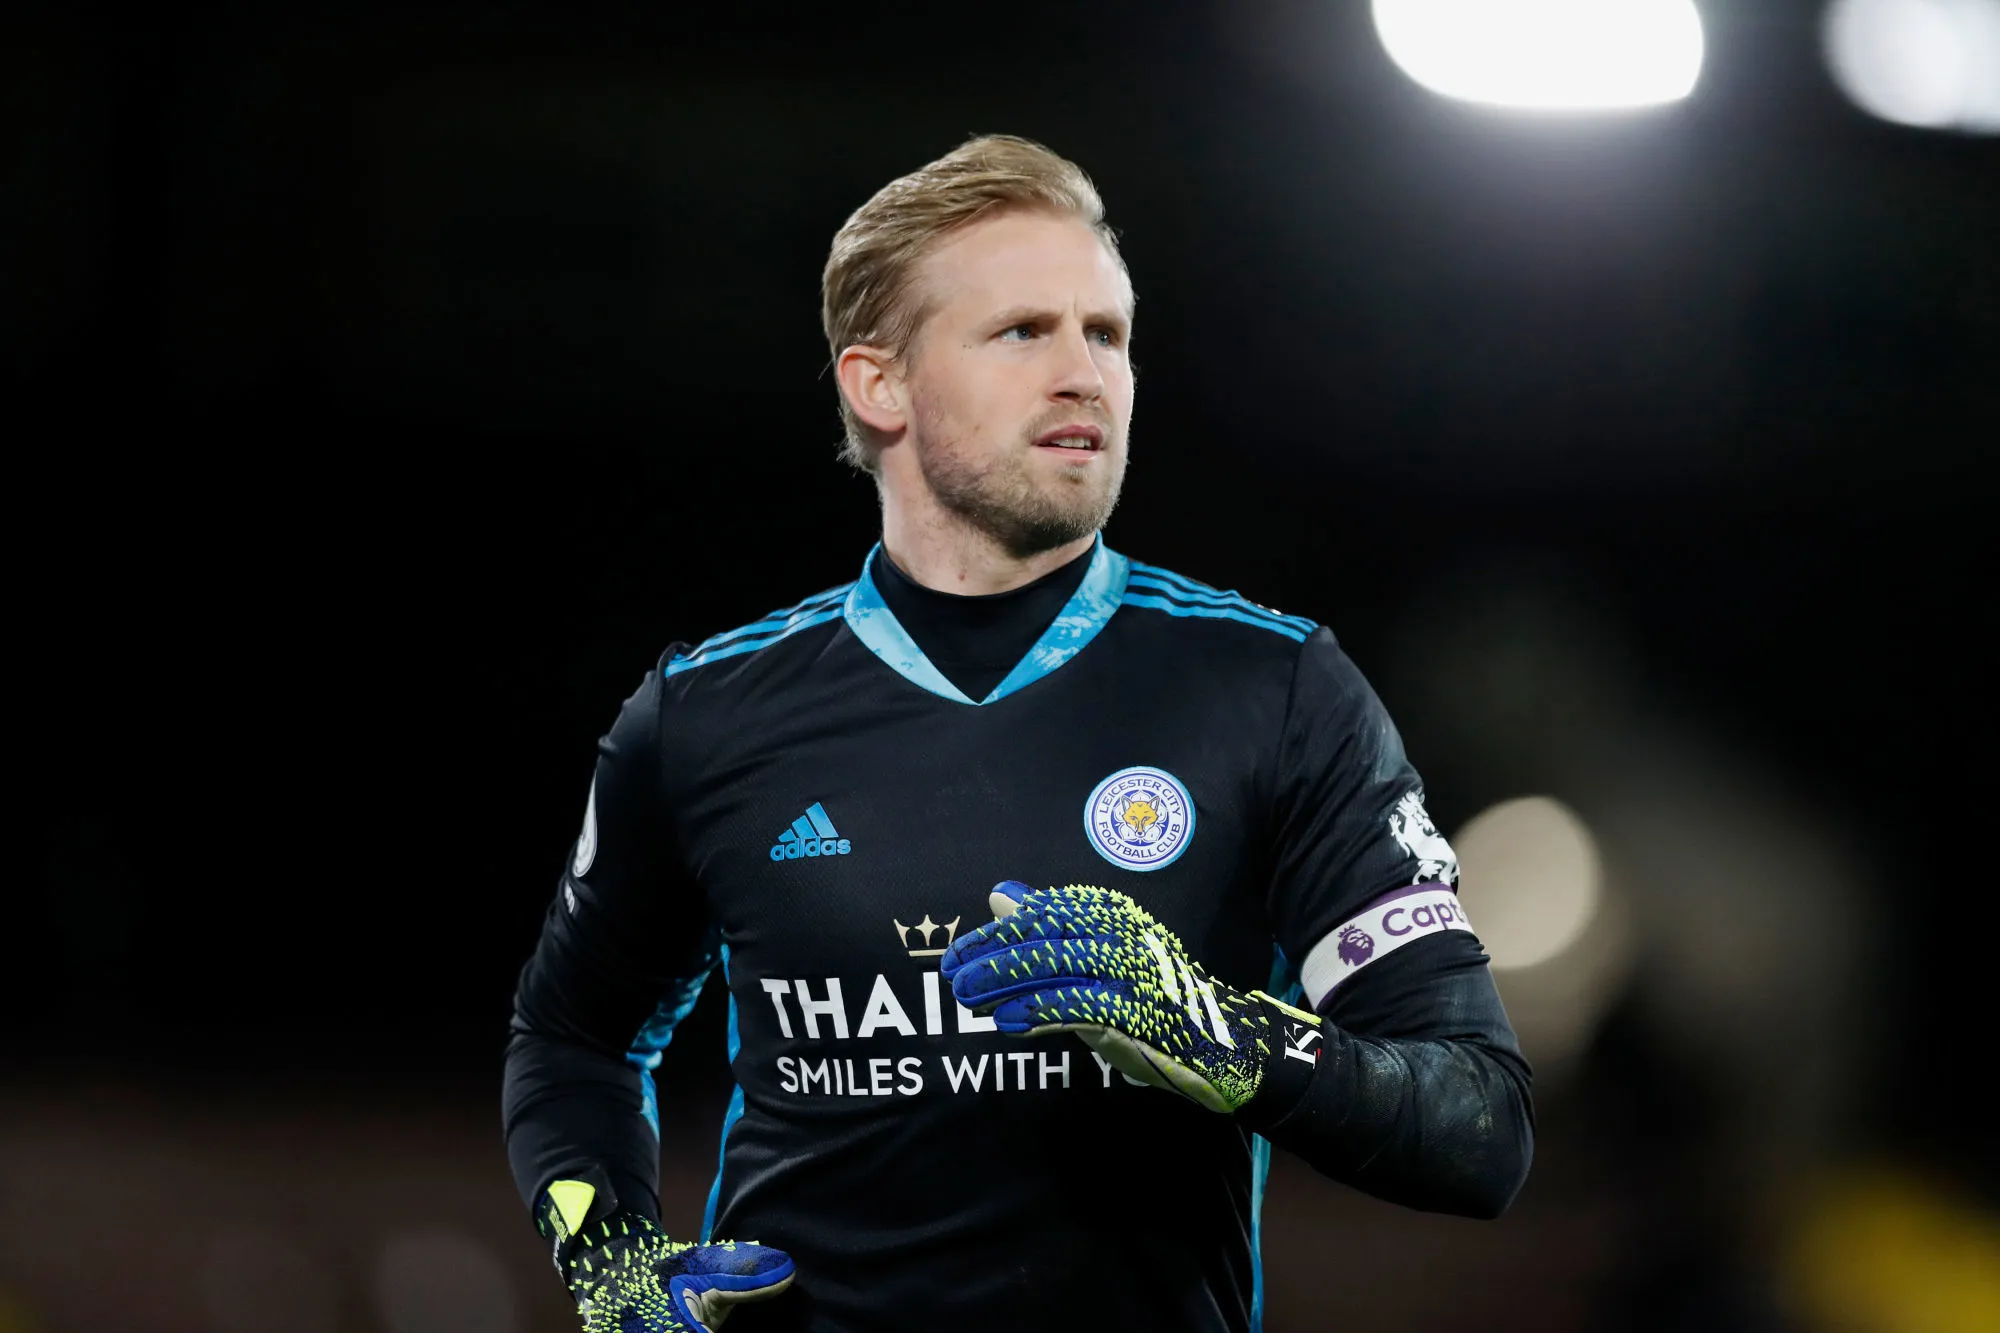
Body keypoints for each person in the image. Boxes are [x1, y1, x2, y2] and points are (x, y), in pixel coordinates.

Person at [502, 133, 1533, 1333]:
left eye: (1106, 334)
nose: (1083, 374)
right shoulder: (705, 713)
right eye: (1021, 331)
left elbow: (1480, 1127)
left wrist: (1224, 1035)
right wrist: (609, 1257)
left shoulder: (1274, 689)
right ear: (878, 385)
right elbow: (569, 1038)